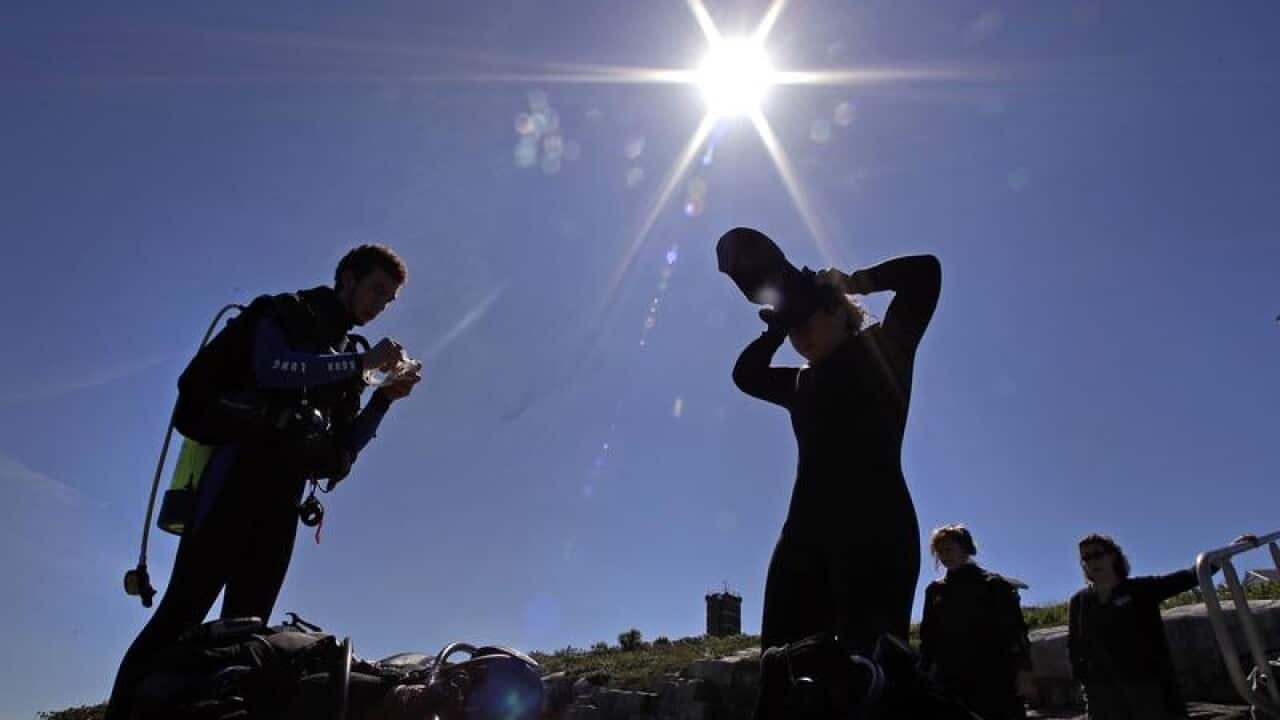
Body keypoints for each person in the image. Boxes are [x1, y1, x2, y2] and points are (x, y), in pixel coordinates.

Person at [105, 244, 421, 720]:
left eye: (389, 299)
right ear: (348, 277)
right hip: (234, 480)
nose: (380, 304)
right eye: (377, 289)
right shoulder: (288, 312)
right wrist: (359, 367)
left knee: (246, 636)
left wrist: (384, 400)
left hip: (281, 504)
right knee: (180, 616)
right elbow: (270, 368)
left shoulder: (345, 356)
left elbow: (339, 455)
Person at [728, 230, 941, 660]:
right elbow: (746, 375)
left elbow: (924, 273)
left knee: (868, 671)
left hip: (875, 530)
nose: (799, 336)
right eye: (793, 329)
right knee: (784, 669)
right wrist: (774, 332)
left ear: (841, 314)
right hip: (803, 538)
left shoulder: (885, 351)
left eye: (809, 320)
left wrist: (854, 281)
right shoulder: (801, 382)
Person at [1068, 533, 1221, 720]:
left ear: (1113, 556)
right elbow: (1075, 645)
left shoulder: (1141, 589)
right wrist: (1085, 681)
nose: (1092, 561)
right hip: (1103, 692)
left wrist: (1219, 559)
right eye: (1086, 558)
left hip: (1147, 685)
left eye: (1097, 554)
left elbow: (1186, 577)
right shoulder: (1080, 601)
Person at [919, 524, 1034, 720]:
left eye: (948, 549)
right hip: (951, 678)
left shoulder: (992, 584)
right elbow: (928, 636)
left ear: (964, 548)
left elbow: (1015, 631)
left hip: (994, 675)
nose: (944, 555)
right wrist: (924, 670)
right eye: (939, 551)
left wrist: (1023, 670)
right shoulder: (935, 591)